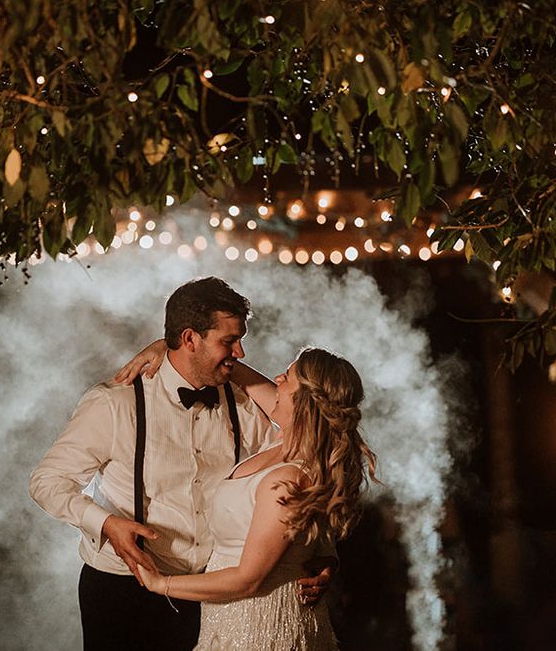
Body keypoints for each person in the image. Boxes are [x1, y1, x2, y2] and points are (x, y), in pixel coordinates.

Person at [29, 277, 333, 651]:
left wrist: (320, 554)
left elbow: (296, 477)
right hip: (123, 589)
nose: (240, 352)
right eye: (229, 341)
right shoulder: (115, 403)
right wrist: (105, 523)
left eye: (241, 339)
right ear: (190, 339)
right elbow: (47, 481)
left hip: (211, 594)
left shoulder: (244, 406)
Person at [129, 344, 377, 650]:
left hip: (260, 626)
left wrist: (160, 584)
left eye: (286, 378)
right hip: (231, 620)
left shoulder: (287, 479)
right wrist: (170, 345)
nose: (277, 380)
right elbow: (238, 373)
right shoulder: (283, 440)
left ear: (303, 402)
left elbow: (248, 580)